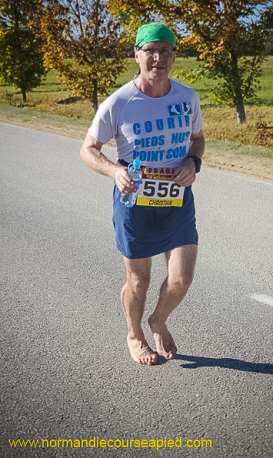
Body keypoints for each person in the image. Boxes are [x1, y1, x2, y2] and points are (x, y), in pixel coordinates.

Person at [80, 22, 205, 366]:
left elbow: (197, 138)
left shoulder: (187, 97)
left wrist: (193, 162)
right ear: (137, 55)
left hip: (176, 199)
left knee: (182, 277)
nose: (158, 57)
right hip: (134, 201)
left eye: (165, 50)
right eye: (150, 50)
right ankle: (135, 335)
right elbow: (88, 149)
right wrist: (115, 170)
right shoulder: (119, 102)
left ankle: (157, 320)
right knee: (139, 281)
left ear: (174, 56)